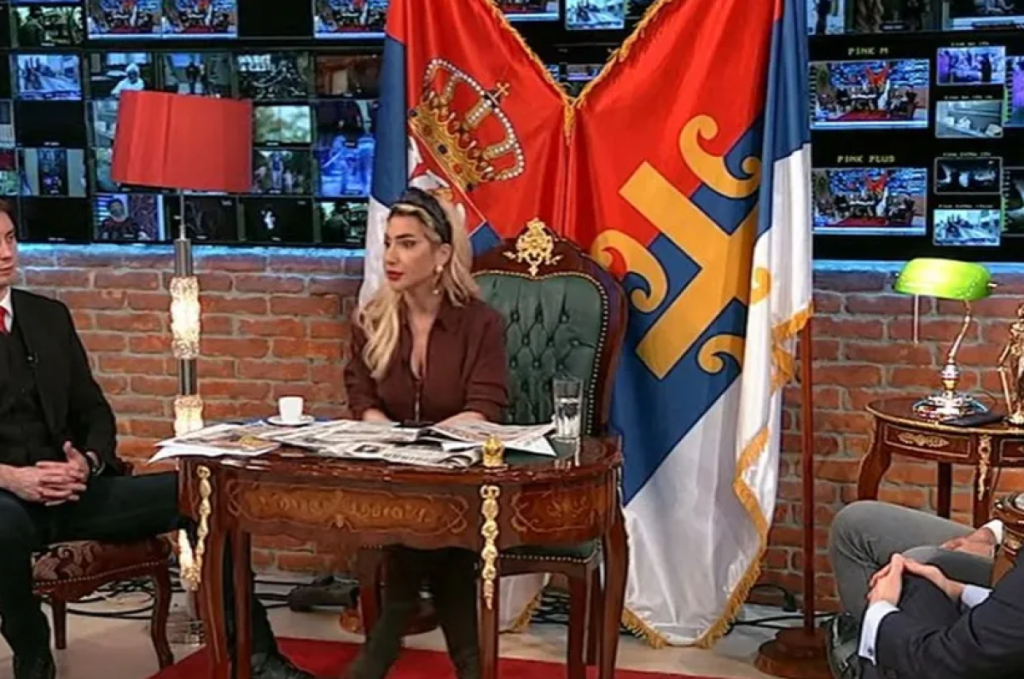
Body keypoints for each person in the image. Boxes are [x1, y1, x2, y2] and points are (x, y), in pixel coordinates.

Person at [0, 201, 313, 679]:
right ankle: (33, 658)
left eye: (9, 239)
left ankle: (256, 657)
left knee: (204, 496)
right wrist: (13, 478)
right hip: (7, 498)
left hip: (71, 491)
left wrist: (88, 461)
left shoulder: (48, 317)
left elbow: (94, 410)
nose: (6, 253)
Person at [342, 187, 508, 679]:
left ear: (441, 255)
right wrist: (383, 430)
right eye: (388, 243)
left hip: (461, 479)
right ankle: (469, 666)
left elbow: (485, 407)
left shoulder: (481, 323)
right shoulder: (372, 319)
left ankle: (380, 650)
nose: (392, 257)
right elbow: (361, 396)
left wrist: (425, 444)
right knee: (436, 546)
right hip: (392, 475)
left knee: (430, 530)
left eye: (408, 243)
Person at [826, 500, 1005, 679]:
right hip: (1010, 540)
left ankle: (872, 667)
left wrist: (880, 611)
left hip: (1011, 567)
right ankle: (872, 652)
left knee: (916, 567)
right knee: (854, 523)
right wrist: (990, 534)